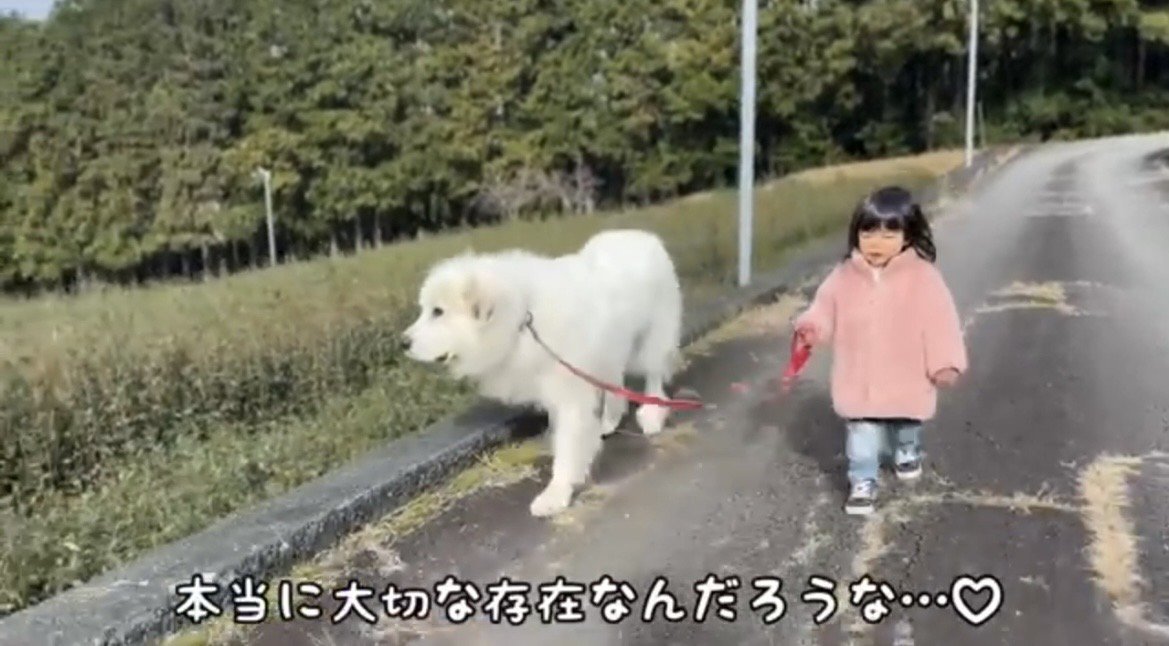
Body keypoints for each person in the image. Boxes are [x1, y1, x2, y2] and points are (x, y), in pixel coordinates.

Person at [792, 185, 967, 516]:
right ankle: (862, 482)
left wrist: (944, 363)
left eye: (889, 235)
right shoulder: (843, 276)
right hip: (858, 377)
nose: (876, 243)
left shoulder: (923, 277)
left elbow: (941, 321)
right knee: (861, 431)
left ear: (909, 236)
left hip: (907, 374)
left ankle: (907, 450)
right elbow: (823, 308)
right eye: (868, 232)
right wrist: (812, 328)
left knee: (906, 423)